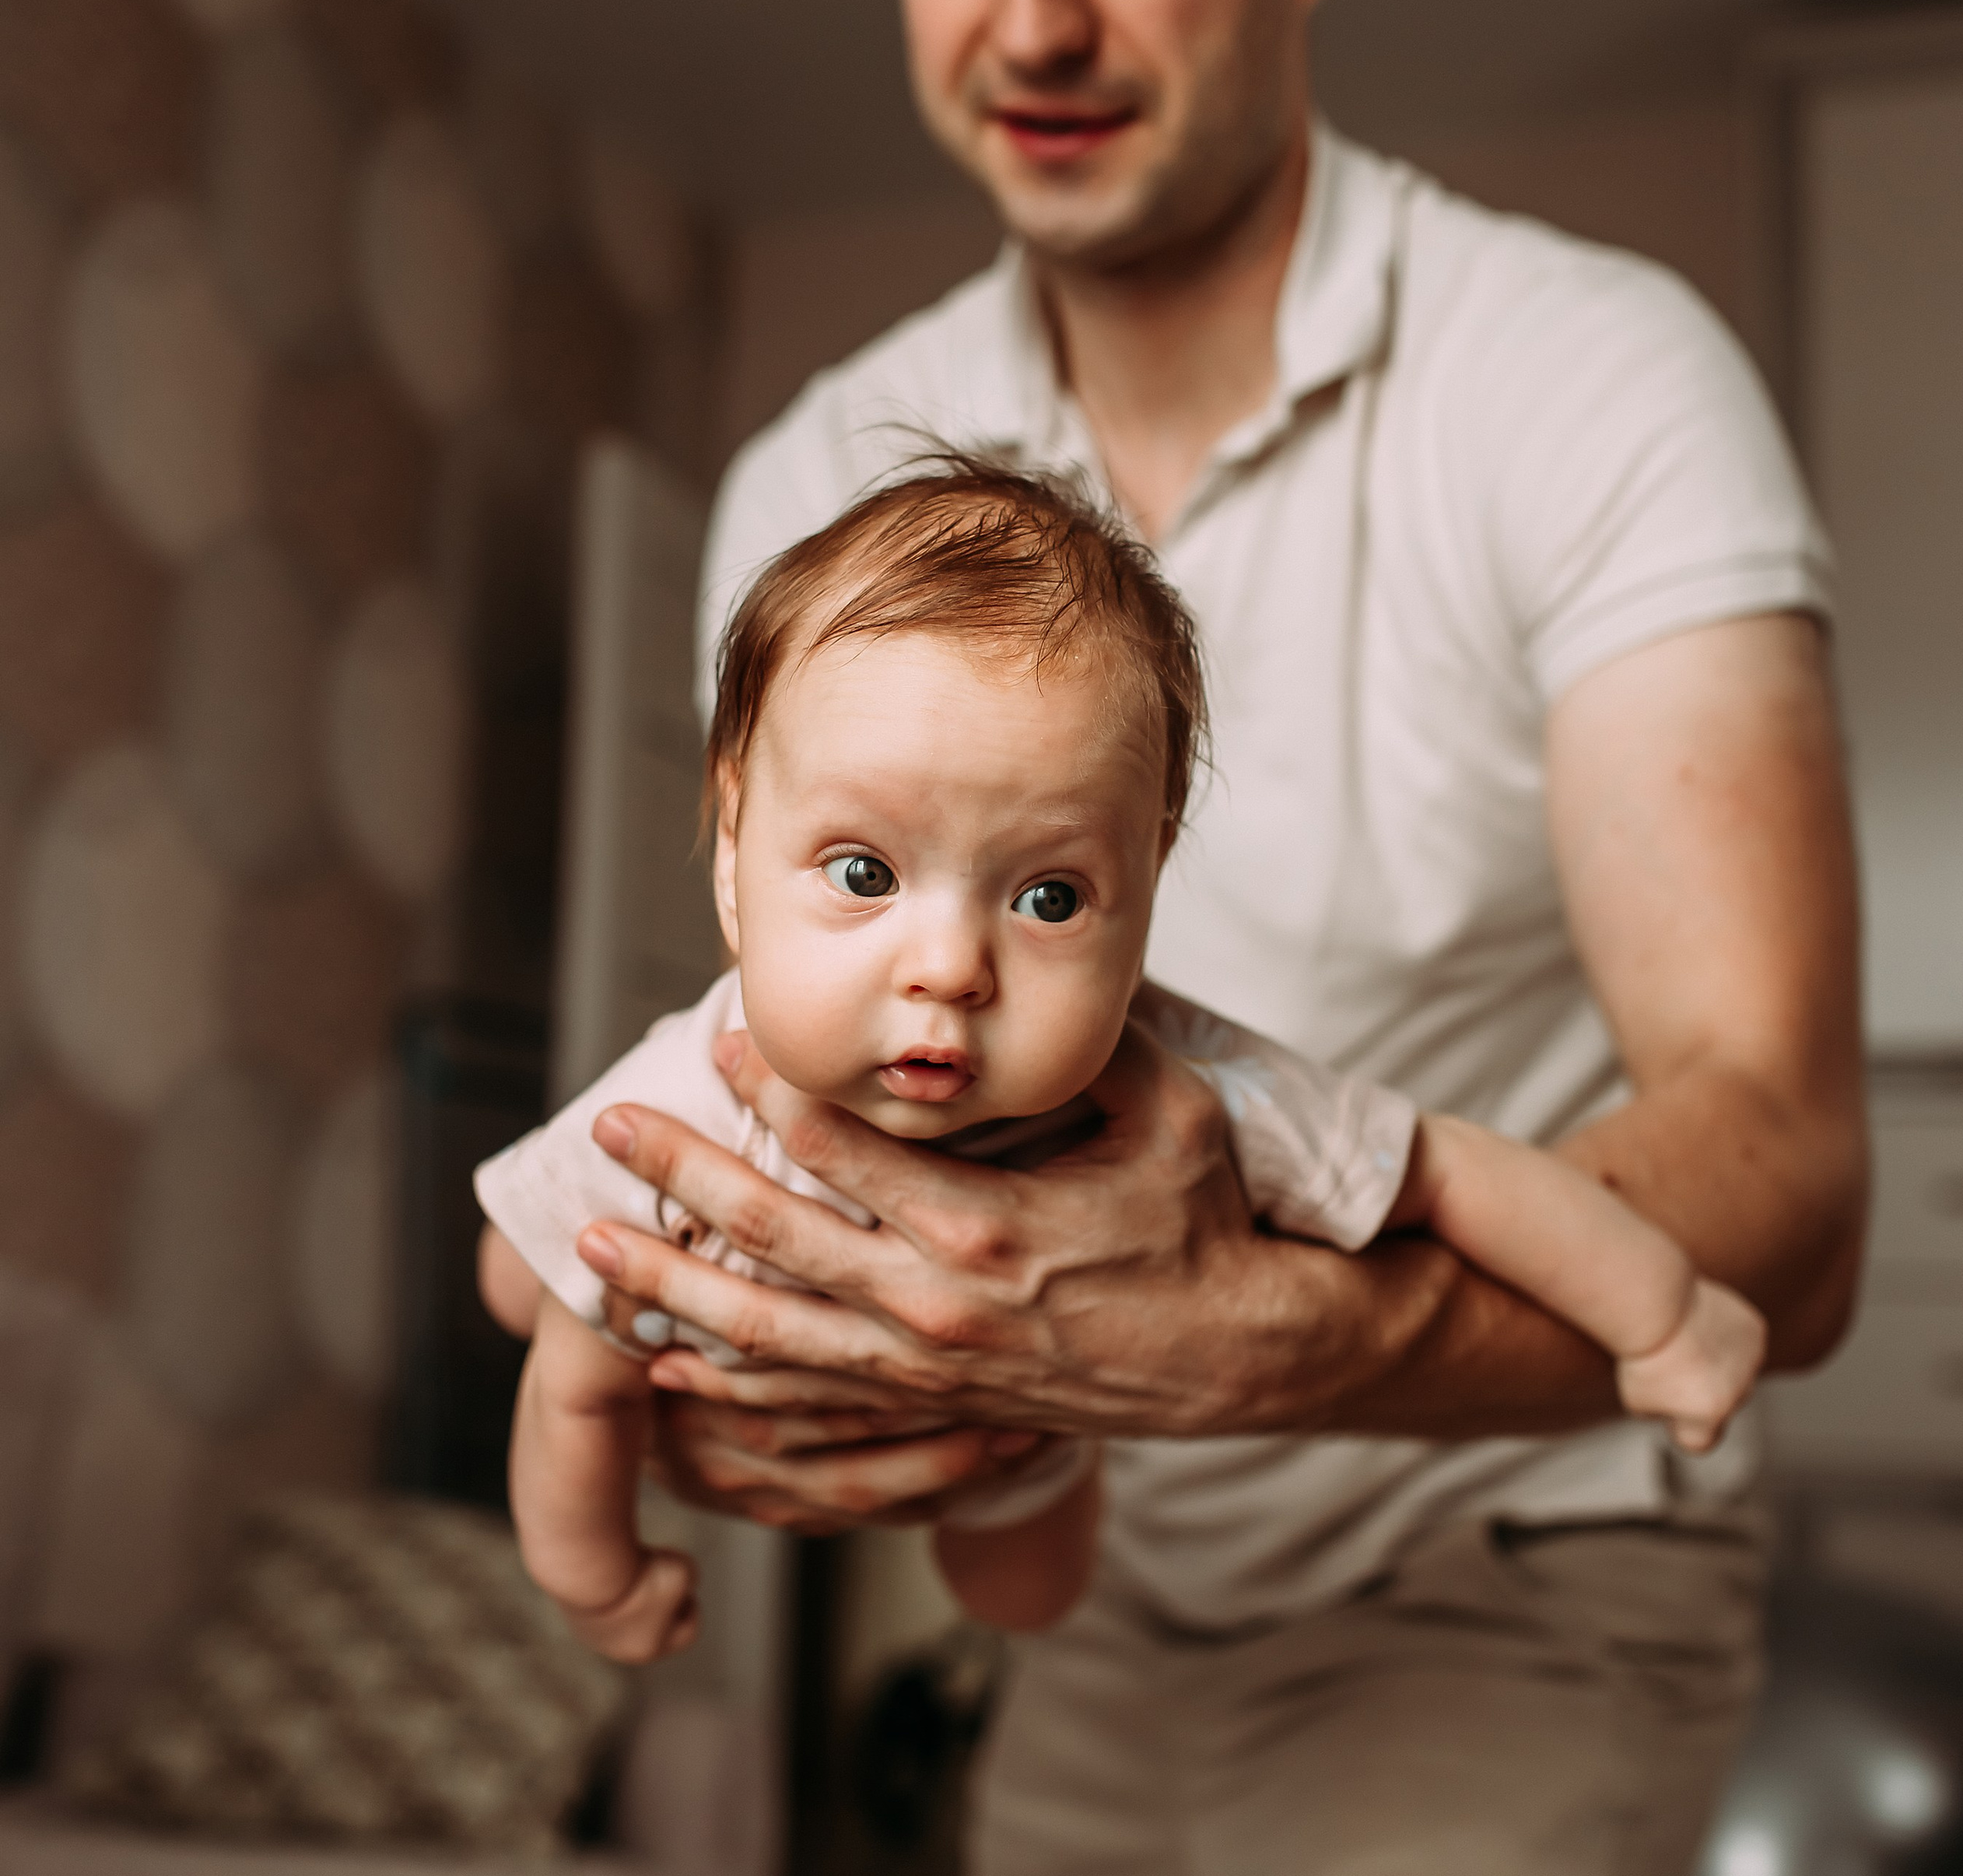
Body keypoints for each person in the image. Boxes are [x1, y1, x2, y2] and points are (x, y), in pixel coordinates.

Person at [495, 0, 1867, 1876]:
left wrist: (1244, 1339)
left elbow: (1783, 1166)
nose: (1027, 19)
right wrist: (748, 1379)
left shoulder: (1588, 387)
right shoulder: (812, 482)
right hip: (1089, 1620)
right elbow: (745, 1129)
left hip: (1510, 1594)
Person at [482, 460, 1766, 1654]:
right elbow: (546, 1338)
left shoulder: (1193, 1084)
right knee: (574, 1348)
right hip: (766, 1399)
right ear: (730, 861)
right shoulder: (683, 1096)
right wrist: (595, 1573)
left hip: (1018, 1447)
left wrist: (1660, 1312)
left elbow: (1445, 1172)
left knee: (1023, 1593)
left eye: (1047, 897)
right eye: (864, 873)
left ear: (1147, 884)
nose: (949, 967)